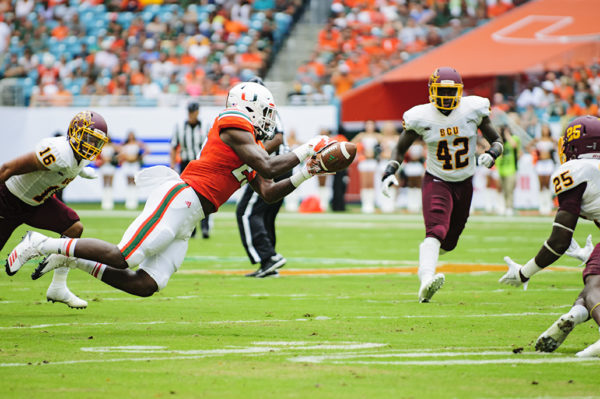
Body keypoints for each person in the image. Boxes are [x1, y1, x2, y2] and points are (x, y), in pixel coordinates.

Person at [8, 83, 335, 298]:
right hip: (181, 198)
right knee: (124, 257)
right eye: (265, 111)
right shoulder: (233, 121)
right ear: (248, 106)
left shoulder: (250, 147)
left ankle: (72, 258)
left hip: (192, 215)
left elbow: (267, 191)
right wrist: (310, 146)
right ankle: (40, 243)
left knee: (146, 284)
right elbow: (268, 166)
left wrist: (306, 172)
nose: (268, 120)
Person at [381, 66, 503, 303]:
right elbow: (400, 147)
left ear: (460, 92)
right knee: (436, 230)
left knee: (450, 241)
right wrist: (390, 170)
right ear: (431, 91)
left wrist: (493, 153)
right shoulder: (421, 115)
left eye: (451, 93)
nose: (447, 98)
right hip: (437, 179)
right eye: (441, 92)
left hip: (465, 181)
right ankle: (426, 278)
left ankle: (427, 255)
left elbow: (497, 140)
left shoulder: (473, 108)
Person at [499, 115, 600, 358]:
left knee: (594, 282)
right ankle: (575, 314)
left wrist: (525, 272)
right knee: (593, 276)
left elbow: (559, 241)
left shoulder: (576, 170)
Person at [2, 110, 109, 308]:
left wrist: (80, 170)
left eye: (95, 142)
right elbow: (7, 169)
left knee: (74, 228)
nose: (91, 145)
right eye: (88, 138)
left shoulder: (81, 156)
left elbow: (72, 165)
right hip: (8, 199)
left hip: (38, 203)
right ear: (75, 132)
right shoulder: (57, 152)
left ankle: (58, 287)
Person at [236, 76, 292, 278]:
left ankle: (269, 257)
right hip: (280, 165)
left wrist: (255, 155)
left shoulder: (264, 110)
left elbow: (277, 138)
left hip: (272, 166)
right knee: (265, 216)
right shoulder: (265, 109)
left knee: (246, 212)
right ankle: (269, 265)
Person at [170, 101, 211, 238]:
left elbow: (210, 146)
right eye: (190, 112)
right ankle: (190, 229)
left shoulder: (205, 126)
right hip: (186, 164)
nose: (191, 114)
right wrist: (172, 166)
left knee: (205, 196)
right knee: (187, 197)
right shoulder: (180, 127)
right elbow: (174, 146)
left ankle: (205, 227)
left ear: (197, 112)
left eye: (193, 112)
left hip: (201, 163)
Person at [352, 120, 381, 213]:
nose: (370, 127)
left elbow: (386, 145)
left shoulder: (377, 136)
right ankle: (365, 204)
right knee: (364, 183)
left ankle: (371, 204)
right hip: (363, 161)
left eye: (371, 125)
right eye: (368, 125)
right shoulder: (361, 135)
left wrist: (377, 153)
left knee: (371, 183)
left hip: (373, 161)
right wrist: (360, 152)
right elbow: (351, 144)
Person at [528, 124, 557, 215]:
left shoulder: (552, 140)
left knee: (547, 183)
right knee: (541, 184)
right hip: (540, 163)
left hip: (548, 162)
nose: (545, 130)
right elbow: (529, 146)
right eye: (543, 129)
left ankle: (548, 205)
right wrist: (534, 153)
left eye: (546, 129)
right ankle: (541, 206)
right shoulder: (538, 140)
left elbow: (558, 146)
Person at [118, 130, 149, 210]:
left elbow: (147, 149)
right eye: (129, 135)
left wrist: (140, 157)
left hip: (135, 164)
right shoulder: (125, 144)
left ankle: (134, 201)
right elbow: (119, 152)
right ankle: (128, 201)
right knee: (128, 182)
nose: (131, 137)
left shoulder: (137, 143)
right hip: (127, 164)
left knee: (134, 181)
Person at [495, 125, 521, 216]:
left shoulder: (514, 138)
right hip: (501, 169)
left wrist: (507, 135)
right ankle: (504, 206)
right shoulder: (500, 142)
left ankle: (509, 207)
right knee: (503, 190)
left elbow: (514, 145)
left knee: (510, 190)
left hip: (511, 169)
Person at [97, 137, 119, 210]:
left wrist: (111, 159)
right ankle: (104, 202)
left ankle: (110, 202)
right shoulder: (101, 146)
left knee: (110, 183)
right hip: (103, 165)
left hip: (111, 165)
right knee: (105, 183)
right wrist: (103, 159)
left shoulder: (113, 146)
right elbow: (99, 156)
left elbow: (118, 153)